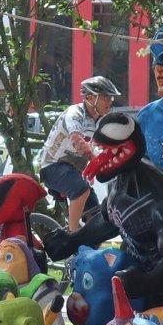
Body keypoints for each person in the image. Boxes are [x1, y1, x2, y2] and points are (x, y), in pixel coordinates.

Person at [38, 76, 120, 231]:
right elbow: (78, 140)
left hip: (72, 170)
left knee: (96, 216)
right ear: (90, 97)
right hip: (52, 167)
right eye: (105, 97)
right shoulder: (75, 113)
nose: (109, 101)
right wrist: (95, 159)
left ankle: (90, 246)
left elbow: (109, 146)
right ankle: (72, 233)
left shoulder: (101, 120)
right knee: (82, 189)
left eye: (111, 97)